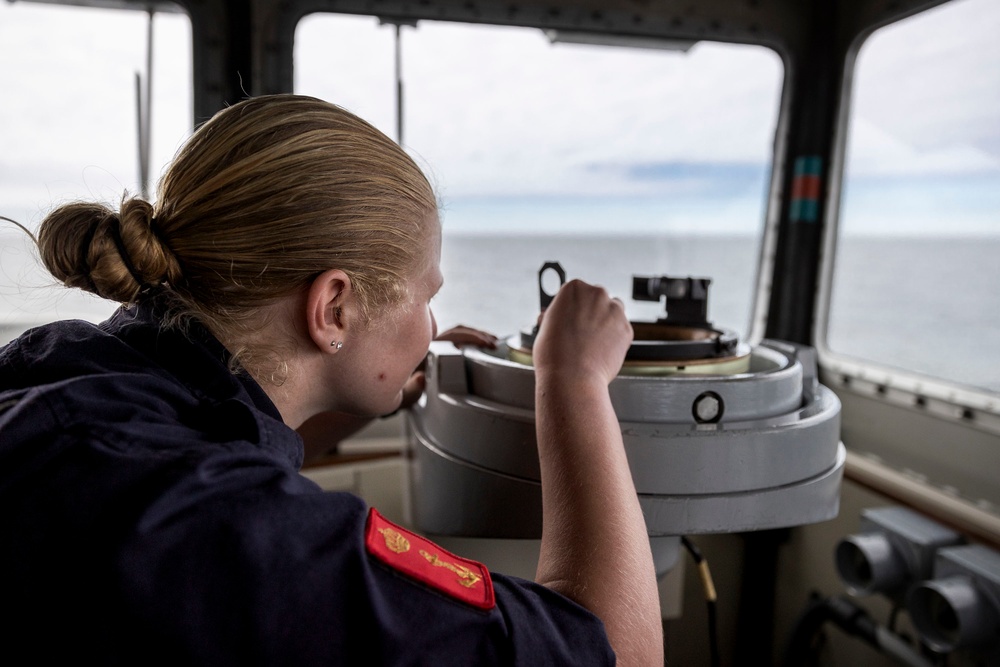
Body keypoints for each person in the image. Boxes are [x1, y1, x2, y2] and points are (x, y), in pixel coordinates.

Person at [0, 95, 662, 665]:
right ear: (335, 308)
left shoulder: (60, 368)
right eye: (424, 296)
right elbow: (618, 654)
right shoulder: (241, 535)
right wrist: (573, 377)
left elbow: (221, 448)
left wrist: (374, 385)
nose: (430, 324)